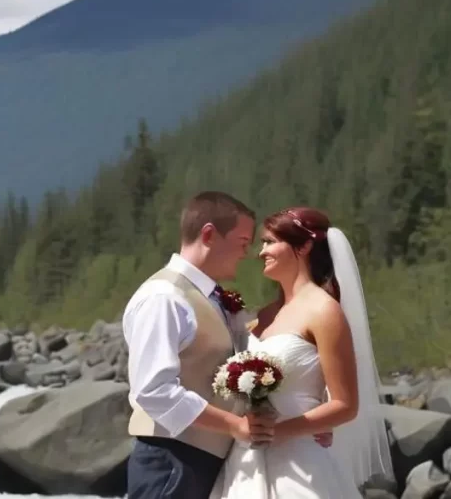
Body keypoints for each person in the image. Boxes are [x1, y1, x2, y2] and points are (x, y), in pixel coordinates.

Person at [123, 192, 333, 499]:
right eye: (243, 241)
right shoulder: (164, 297)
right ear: (209, 235)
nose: (247, 253)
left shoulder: (211, 298)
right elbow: (154, 390)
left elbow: (244, 370)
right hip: (171, 459)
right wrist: (234, 425)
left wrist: (302, 417)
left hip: (204, 460)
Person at [210, 206, 394, 499]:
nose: (261, 252)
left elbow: (346, 404)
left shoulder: (324, 311)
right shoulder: (266, 313)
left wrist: (276, 432)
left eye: (270, 241)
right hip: (244, 460)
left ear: (304, 246)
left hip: (298, 464)